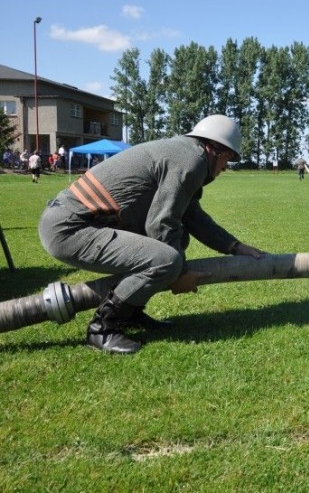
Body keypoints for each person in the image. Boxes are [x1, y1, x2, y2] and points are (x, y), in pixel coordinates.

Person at [38, 115, 266, 354]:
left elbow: (191, 216)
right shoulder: (192, 160)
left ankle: (130, 312)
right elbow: (161, 223)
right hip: (70, 228)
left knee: (178, 242)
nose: (224, 168)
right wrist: (180, 273)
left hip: (75, 222)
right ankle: (102, 328)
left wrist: (235, 246)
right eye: (228, 159)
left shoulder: (184, 152)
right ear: (214, 149)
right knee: (166, 259)